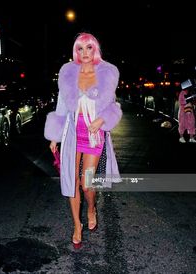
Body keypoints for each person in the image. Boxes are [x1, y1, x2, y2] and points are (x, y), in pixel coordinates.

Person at [44, 32, 122, 248]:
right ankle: (77, 225)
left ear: (95, 49)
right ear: (75, 51)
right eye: (80, 48)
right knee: (72, 181)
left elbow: (113, 106)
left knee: (87, 184)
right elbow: (60, 107)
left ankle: (91, 208)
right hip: (72, 133)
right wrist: (54, 137)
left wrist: (102, 120)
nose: (85, 52)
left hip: (93, 135)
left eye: (89, 48)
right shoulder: (67, 73)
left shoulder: (107, 73)